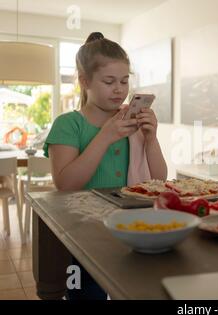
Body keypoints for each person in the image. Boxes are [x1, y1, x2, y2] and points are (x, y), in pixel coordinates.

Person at [43, 32, 167, 299]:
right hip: (83, 235)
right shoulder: (68, 124)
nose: (119, 89)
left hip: (129, 229)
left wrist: (151, 139)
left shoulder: (130, 120)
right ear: (84, 81)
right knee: (87, 294)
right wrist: (106, 136)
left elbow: (158, 181)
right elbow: (65, 184)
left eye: (124, 81)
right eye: (109, 81)